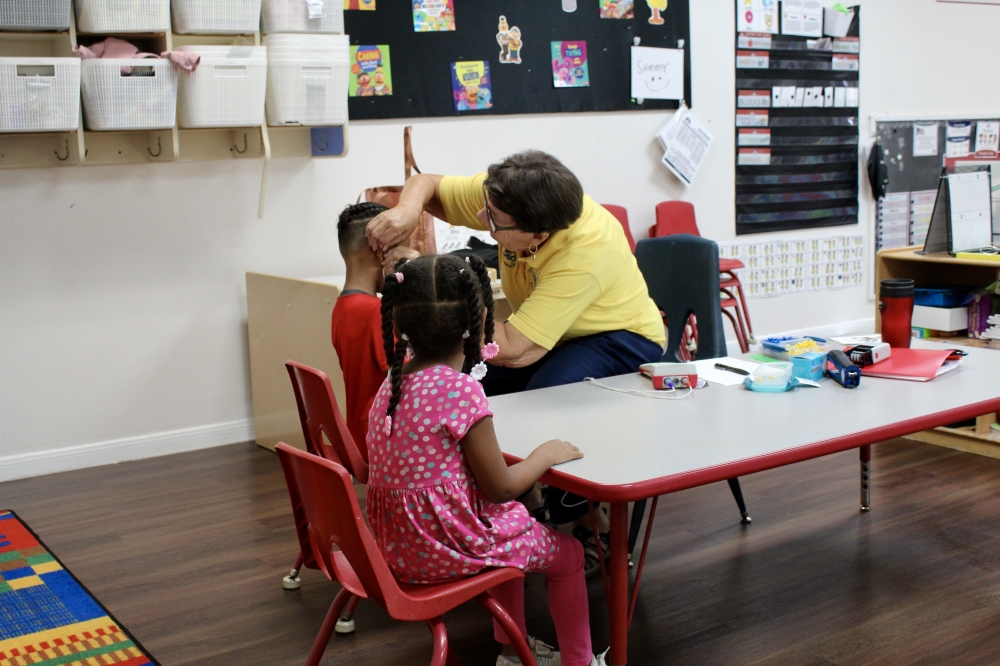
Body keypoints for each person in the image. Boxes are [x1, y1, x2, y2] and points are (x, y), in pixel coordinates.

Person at [364, 150, 666, 575]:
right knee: (473, 390)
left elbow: (516, 346)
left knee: (544, 400)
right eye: (487, 210)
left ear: (537, 234)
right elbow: (428, 183)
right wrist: (407, 211)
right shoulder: (508, 195)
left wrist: (443, 294)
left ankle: (586, 523)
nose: (482, 219)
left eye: (493, 222)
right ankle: (516, 502)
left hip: (618, 336)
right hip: (546, 331)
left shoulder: (586, 252)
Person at [365, 254, 609, 666]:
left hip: (395, 547)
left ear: (402, 325)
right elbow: (502, 487)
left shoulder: (392, 381)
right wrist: (544, 454)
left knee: (507, 523)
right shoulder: (460, 391)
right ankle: (580, 661)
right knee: (565, 554)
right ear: (479, 323)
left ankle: (512, 653)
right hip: (447, 547)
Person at [330, 202, 390, 449]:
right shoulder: (374, 312)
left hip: (360, 435)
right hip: (383, 439)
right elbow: (416, 378)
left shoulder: (342, 307)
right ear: (380, 250)